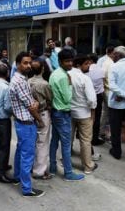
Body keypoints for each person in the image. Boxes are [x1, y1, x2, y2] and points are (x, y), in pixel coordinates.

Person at [9, 51, 45, 197]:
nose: (29, 65)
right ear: (17, 64)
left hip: (21, 122)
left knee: (20, 151)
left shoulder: (20, 79)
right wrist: (40, 120)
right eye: (25, 63)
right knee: (27, 156)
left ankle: (17, 177)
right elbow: (31, 106)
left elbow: (31, 103)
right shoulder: (19, 82)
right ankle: (27, 188)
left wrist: (34, 104)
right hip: (26, 123)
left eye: (30, 63)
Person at [49, 50, 85, 181]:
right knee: (65, 144)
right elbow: (67, 98)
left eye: (71, 61)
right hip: (62, 113)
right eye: (67, 61)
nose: (70, 63)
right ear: (60, 62)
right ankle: (68, 173)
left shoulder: (55, 73)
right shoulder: (64, 77)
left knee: (54, 142)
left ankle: (52, 168)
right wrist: (70, 84)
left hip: (55, 112)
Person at [68, 55, 98, 174]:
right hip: (84, 113)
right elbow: (91, 100)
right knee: (85, 140)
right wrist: (93, 111)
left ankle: (66, 160)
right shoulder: (85, 78)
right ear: (78, 65)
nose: (89, 66)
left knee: (68, 138)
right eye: (86, 63)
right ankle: (87, 166)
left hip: (70, 111)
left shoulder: (67, 76)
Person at [28, 60, 53, 180]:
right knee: (42, 143)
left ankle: (33, 167)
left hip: (31, 114)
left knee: (34, 141)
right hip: (42, 114)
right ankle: (39, 171)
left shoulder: (28, 82)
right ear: (43, 69)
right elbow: (50, 98)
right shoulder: (44, 84)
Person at [86, 54, 106, 147]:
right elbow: (104, 81)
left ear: (89, 60)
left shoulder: (86, 70)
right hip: (98, 96)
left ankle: (82, 134)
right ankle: (94, 138)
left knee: (86, 116)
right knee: (96, 118)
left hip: (87, 95)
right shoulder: (101, 70)